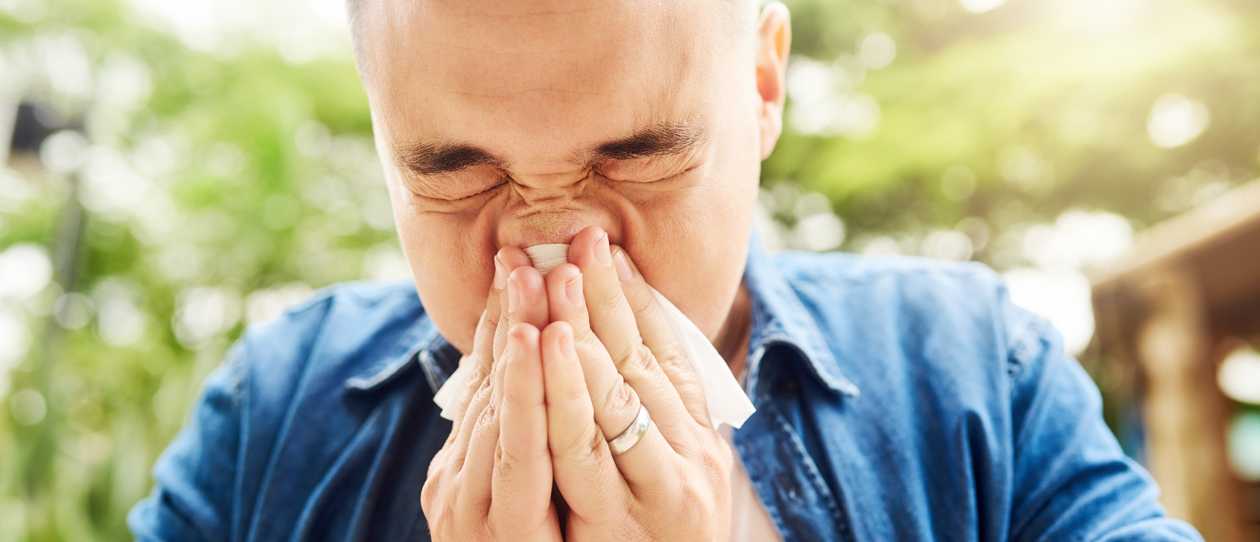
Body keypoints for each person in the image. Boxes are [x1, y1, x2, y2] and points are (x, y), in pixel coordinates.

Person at [128, 0, 1204, 540]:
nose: (553, 248)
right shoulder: (275, 405)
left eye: (639, 156)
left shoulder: (980, 376)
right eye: (458, 172)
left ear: (765, 84)